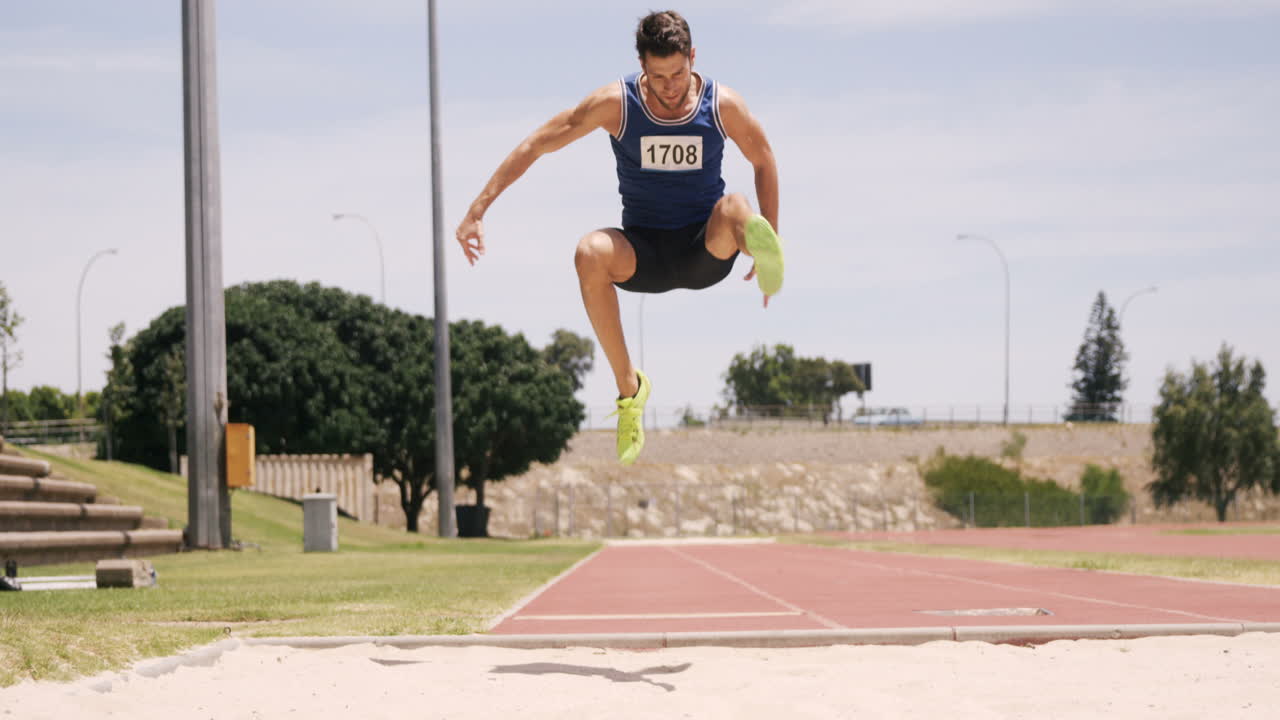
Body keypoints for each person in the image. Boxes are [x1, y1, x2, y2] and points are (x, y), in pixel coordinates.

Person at [456, 9, 784, 466]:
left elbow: (764, 158)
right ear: (641, 66)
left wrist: (772, 229)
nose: (669, 87)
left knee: (735, 206)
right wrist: (478, 208)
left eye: (678, 73)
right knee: (589, 252)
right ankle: (629, 390)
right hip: (642, 253)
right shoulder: (617, 104)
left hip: (704, 249)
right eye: (657, 76)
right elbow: (539, 143)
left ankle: (762, 250)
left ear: (693, 57)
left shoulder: (722, 104)